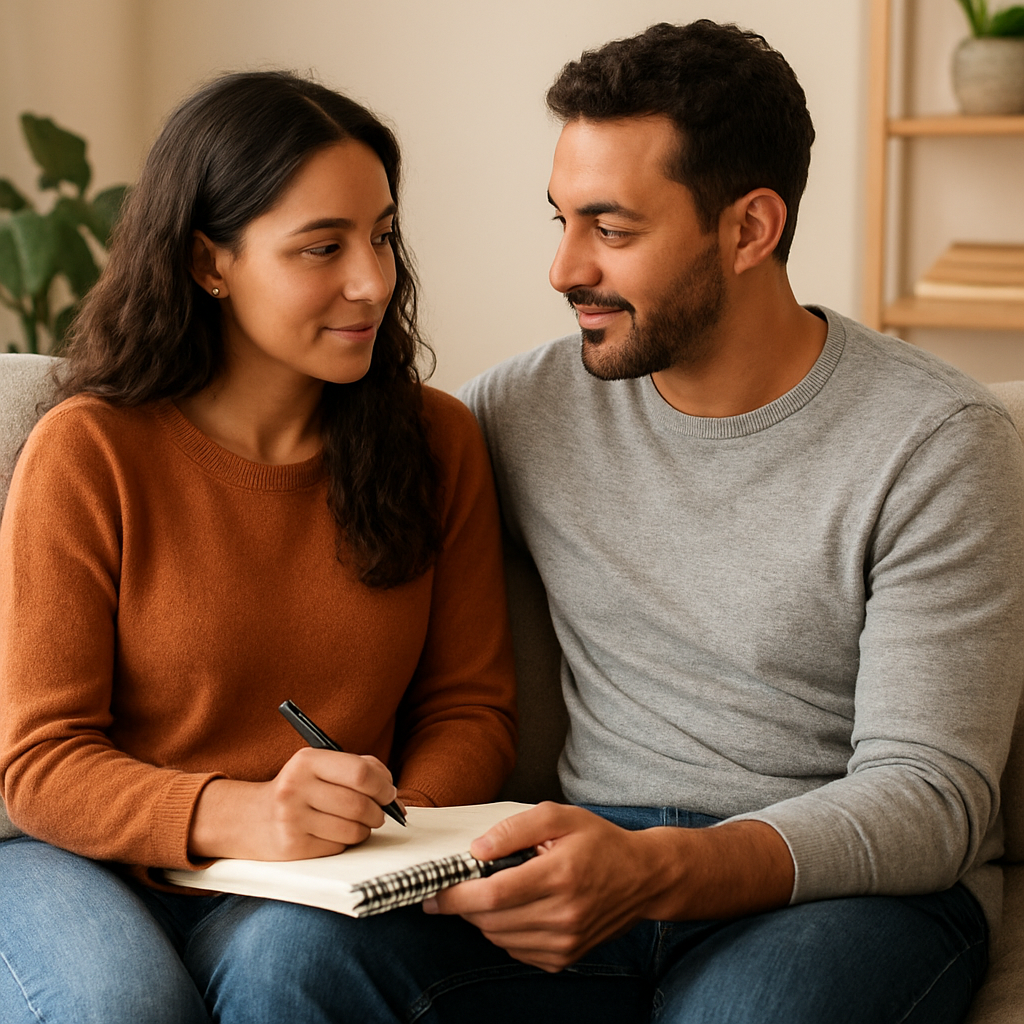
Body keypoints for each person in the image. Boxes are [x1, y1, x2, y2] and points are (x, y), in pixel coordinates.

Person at [310, 20, 1024, 1024]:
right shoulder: (520, 409)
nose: (562, 268)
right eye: (560, 220)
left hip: (839, 890)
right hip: (590, 856)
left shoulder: (934, 441)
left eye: (611, 230)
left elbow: (929, 797)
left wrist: (657, 869)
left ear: (749, 230)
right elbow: (297, 470)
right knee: (295, 960)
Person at [0, 71, 517, 1023]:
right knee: (125, 1004)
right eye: (323, 247)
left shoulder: (438, 442)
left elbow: (470, 707)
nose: (373, 281)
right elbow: (41, 762)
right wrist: (239, 814)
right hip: (84, 862)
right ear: (210, 262)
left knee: (296, 966)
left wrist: (390, 829)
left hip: (319, 873)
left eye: (382, 235)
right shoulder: (88, 451)